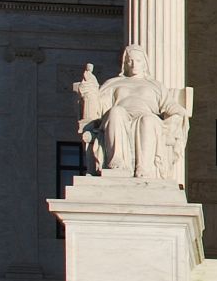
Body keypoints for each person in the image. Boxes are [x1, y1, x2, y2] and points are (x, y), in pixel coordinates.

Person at [72, 45, 191, 180]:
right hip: (119, 117)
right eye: (130, 60)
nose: (134, 64)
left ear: (144, 63)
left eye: (138, 61)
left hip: (146, 116)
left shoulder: (156, 85)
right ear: (125, 63)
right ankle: (117, 163)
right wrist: (90, 88)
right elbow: (99, 106)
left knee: (148, 120)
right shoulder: (114, 83)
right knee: (116, 112)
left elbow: (169, 105)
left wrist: (179, 113)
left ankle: (145, 168)